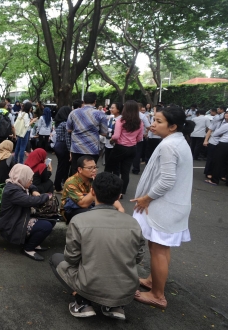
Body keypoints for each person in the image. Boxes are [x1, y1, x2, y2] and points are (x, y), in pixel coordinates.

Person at [50, 172, 143, 320]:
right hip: (126, 289)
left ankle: (82, 302)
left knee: (57, 259)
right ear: (119, 196)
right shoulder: (134, 223)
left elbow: (71, 258)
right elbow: (137, 258)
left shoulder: (79, 220)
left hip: (90, 285)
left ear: (92, 192)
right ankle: (115, 306)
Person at [131, 106, 195, 309]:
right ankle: (153, 281)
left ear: (173, 126)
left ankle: (157, 294)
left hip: (164, 206)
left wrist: (147, 198)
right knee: (159, 247)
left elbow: (167, 180)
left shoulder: (169, 145)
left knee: (158, 249)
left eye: (159, 121)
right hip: (171, 206)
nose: (153, 124)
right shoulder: (177, 141)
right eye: (154, 120)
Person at [0, 164, 54, 261]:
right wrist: (46, 196)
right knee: (46, 226)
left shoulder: (17, 183)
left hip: (20, 217)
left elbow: (31, 185)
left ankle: (34, 243)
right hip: (12, 223)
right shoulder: (12, 191)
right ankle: (28, 248)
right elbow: (30, 201)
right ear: (22, 178)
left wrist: (34, 190)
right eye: (29, 179)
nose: (31, 181)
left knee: (52, 220)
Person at [61, 156, 124, 224]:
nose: (94, 170)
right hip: (72, 210)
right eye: (90, 168)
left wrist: (120, 208)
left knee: (108, 210)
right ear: (80, 169)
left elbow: (107, 195)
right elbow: (83, 204)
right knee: (93, 214)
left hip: (90, 206)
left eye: (95, 167)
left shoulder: (95, 178)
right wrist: (95, 187)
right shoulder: (71, 182)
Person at [105, 100, 143, 198]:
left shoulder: (121, 121)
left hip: (120, 148)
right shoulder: (139, 122)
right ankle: (121, 192)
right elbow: (139, 138)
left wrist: (112, 139)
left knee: (109, 167)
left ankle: (106, 187)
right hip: (132, 148)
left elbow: (116, 136)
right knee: (125, 172)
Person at [67, 92, 108, 175]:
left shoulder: (73, 113)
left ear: (83, 101)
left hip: (76, 147)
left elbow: (68, 129)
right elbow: (104, 133)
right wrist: (94, 130)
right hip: (92, 148)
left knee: (75, 171)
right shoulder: (101, 114)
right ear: (95, 102)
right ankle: (88, 188)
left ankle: (73, 188)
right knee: (90, 172)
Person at [204, 111, 228, 186]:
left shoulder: (226, 125)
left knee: (217, 162)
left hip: (223, 144)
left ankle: (214, 180)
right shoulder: (219, 122)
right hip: (220, 143)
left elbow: (215, 133)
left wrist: (221, 134)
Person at [52, 106, 72, 193]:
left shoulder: (58, 123)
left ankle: (58, 184)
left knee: (61, 166)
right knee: (62, 167)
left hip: (58, 144)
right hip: (64, 146)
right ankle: (58, 187)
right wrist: (70, 150)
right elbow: (67, 138)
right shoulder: (65, 123)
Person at [103, 103, 122, 170]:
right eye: (111, 107)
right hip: (108, 142)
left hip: (116, 144)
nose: (111, 109)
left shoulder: (121, 119)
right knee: (107, 163)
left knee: (116, 165)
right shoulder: (110, 117)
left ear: (118, 110)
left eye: (113, 108)